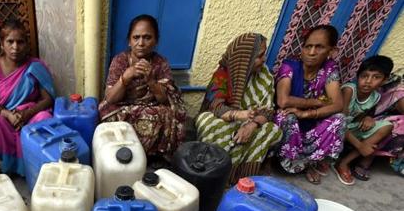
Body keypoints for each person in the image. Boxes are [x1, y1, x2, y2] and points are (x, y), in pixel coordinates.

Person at [99, 14, 186, 166]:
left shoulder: (161, 62)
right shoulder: (120, 61)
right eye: (136, 37)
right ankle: (124, 156)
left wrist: (151, 80)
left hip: (151, 108)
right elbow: (111, 98)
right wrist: (126, 77)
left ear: (155, 41)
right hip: (122, 107)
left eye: (147, 37)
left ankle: (149, 157)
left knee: (172, 114)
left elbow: (164, 99)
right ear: (129, 41)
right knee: (107, 115)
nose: (141, 43)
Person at [196, 33, 282, 184]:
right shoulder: (222, 74)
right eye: (259, 56)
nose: (264, 60)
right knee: (210, 124)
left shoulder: (265, 76)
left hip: (250, 120)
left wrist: (251, 125)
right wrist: (238, 115)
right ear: (245, 58)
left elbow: (268, 111)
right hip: (226, 118)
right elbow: (216, 106)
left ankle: (241, 177)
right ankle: (214, 174)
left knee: (271, 129)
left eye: (264, 54)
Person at [274, 25, 346, 184]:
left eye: (319, 47)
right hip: (290, 119)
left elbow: (337, 104)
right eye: (308, 46)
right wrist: (315, 102)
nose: (312, 52)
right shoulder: (290, 67)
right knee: (286, 116)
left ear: (331, 51)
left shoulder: (329, 69)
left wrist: (307, 113)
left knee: (339, 119)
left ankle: (308, 163)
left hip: (311, 120)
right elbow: (283, 101)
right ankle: (288, 162)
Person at [0, 18, 55, 176]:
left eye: (20, 42)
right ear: (2, 44)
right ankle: (11, 166)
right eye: (10, 41)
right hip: (7, 116)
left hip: (30, 114)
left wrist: (27, 114)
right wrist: (8, 115)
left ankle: (34, 163)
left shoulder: (36, 66)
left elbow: (48, 99)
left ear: (26, 44)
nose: (15, 47)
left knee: (44, 117)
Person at [334, 56, 398, 184]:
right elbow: (339, 121)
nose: (368, 81)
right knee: (339, 120)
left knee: (387, 126)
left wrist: (368, 117)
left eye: (376, 77)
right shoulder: (349, 90)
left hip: (351, 128)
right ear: (358, 76)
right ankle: (334, 159)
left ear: (384, 80)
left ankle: (343, 163)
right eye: (364, 76)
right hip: (335, 127)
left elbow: (360, 115)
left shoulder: (376, 96)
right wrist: (360, 145)